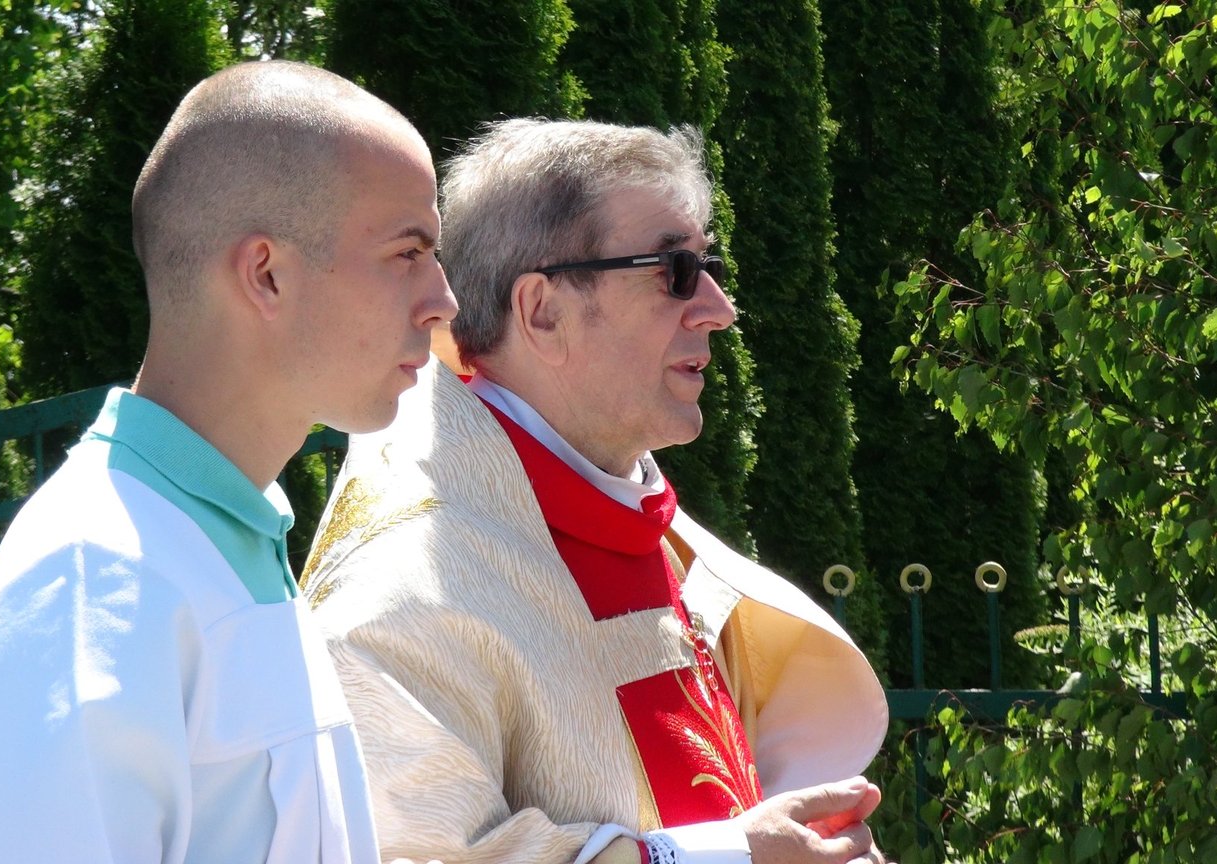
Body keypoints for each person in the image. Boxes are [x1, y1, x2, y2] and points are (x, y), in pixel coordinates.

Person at [0, 60, 457, 864]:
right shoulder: (97, 584)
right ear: (266, 274)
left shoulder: (208, 543)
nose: (444, 300)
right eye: (409, 252)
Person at [304, 118, 890, 864]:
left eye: (709, 266)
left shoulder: (632, 515)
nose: (719, 308)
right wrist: (730, 857)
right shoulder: (399, 597)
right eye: (675, 271)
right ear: (542, 311)